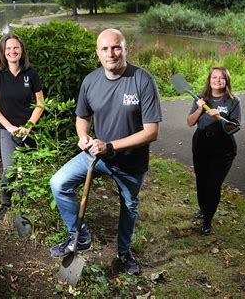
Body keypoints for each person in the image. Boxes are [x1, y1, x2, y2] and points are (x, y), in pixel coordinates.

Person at [49, 28, 162, 275]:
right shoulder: (90, 81)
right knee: (58, 183)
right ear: (97, 53)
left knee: (129, 206)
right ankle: (80, 237)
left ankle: (124, 253)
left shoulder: (142, 80)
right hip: (97, 156)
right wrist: (83, 137)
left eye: (116, 47)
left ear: (125, 49)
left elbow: (151, 132)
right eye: (105, 49)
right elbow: (82, 117)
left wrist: (110, 146)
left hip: (131, 162)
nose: (111, 53)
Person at [0, 33, 44, 222]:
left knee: (27, 169)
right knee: (10, 169)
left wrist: (28, 127)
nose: (12, 51)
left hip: (29, 129)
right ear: (3, 52)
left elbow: (40, 104)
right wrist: (10, 127)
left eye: (16, 48)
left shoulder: (31, 73)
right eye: (8, 48)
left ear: (22, 50)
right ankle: (5, 204)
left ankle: (26, 206)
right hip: (8, 129)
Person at [186, 66, 241, 235]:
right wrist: (200, 108)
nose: (218, 80)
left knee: (213, 185)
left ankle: (207, 220)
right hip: (201, 143)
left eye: (222, 77)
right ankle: (203, 210)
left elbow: (234, 127)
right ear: (209, 80)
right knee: (201, 182)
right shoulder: (201, 99)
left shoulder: (233, 101)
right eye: (215, 77)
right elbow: (189, 122)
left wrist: (219, 118)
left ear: (227, 81)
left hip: (223, 147)